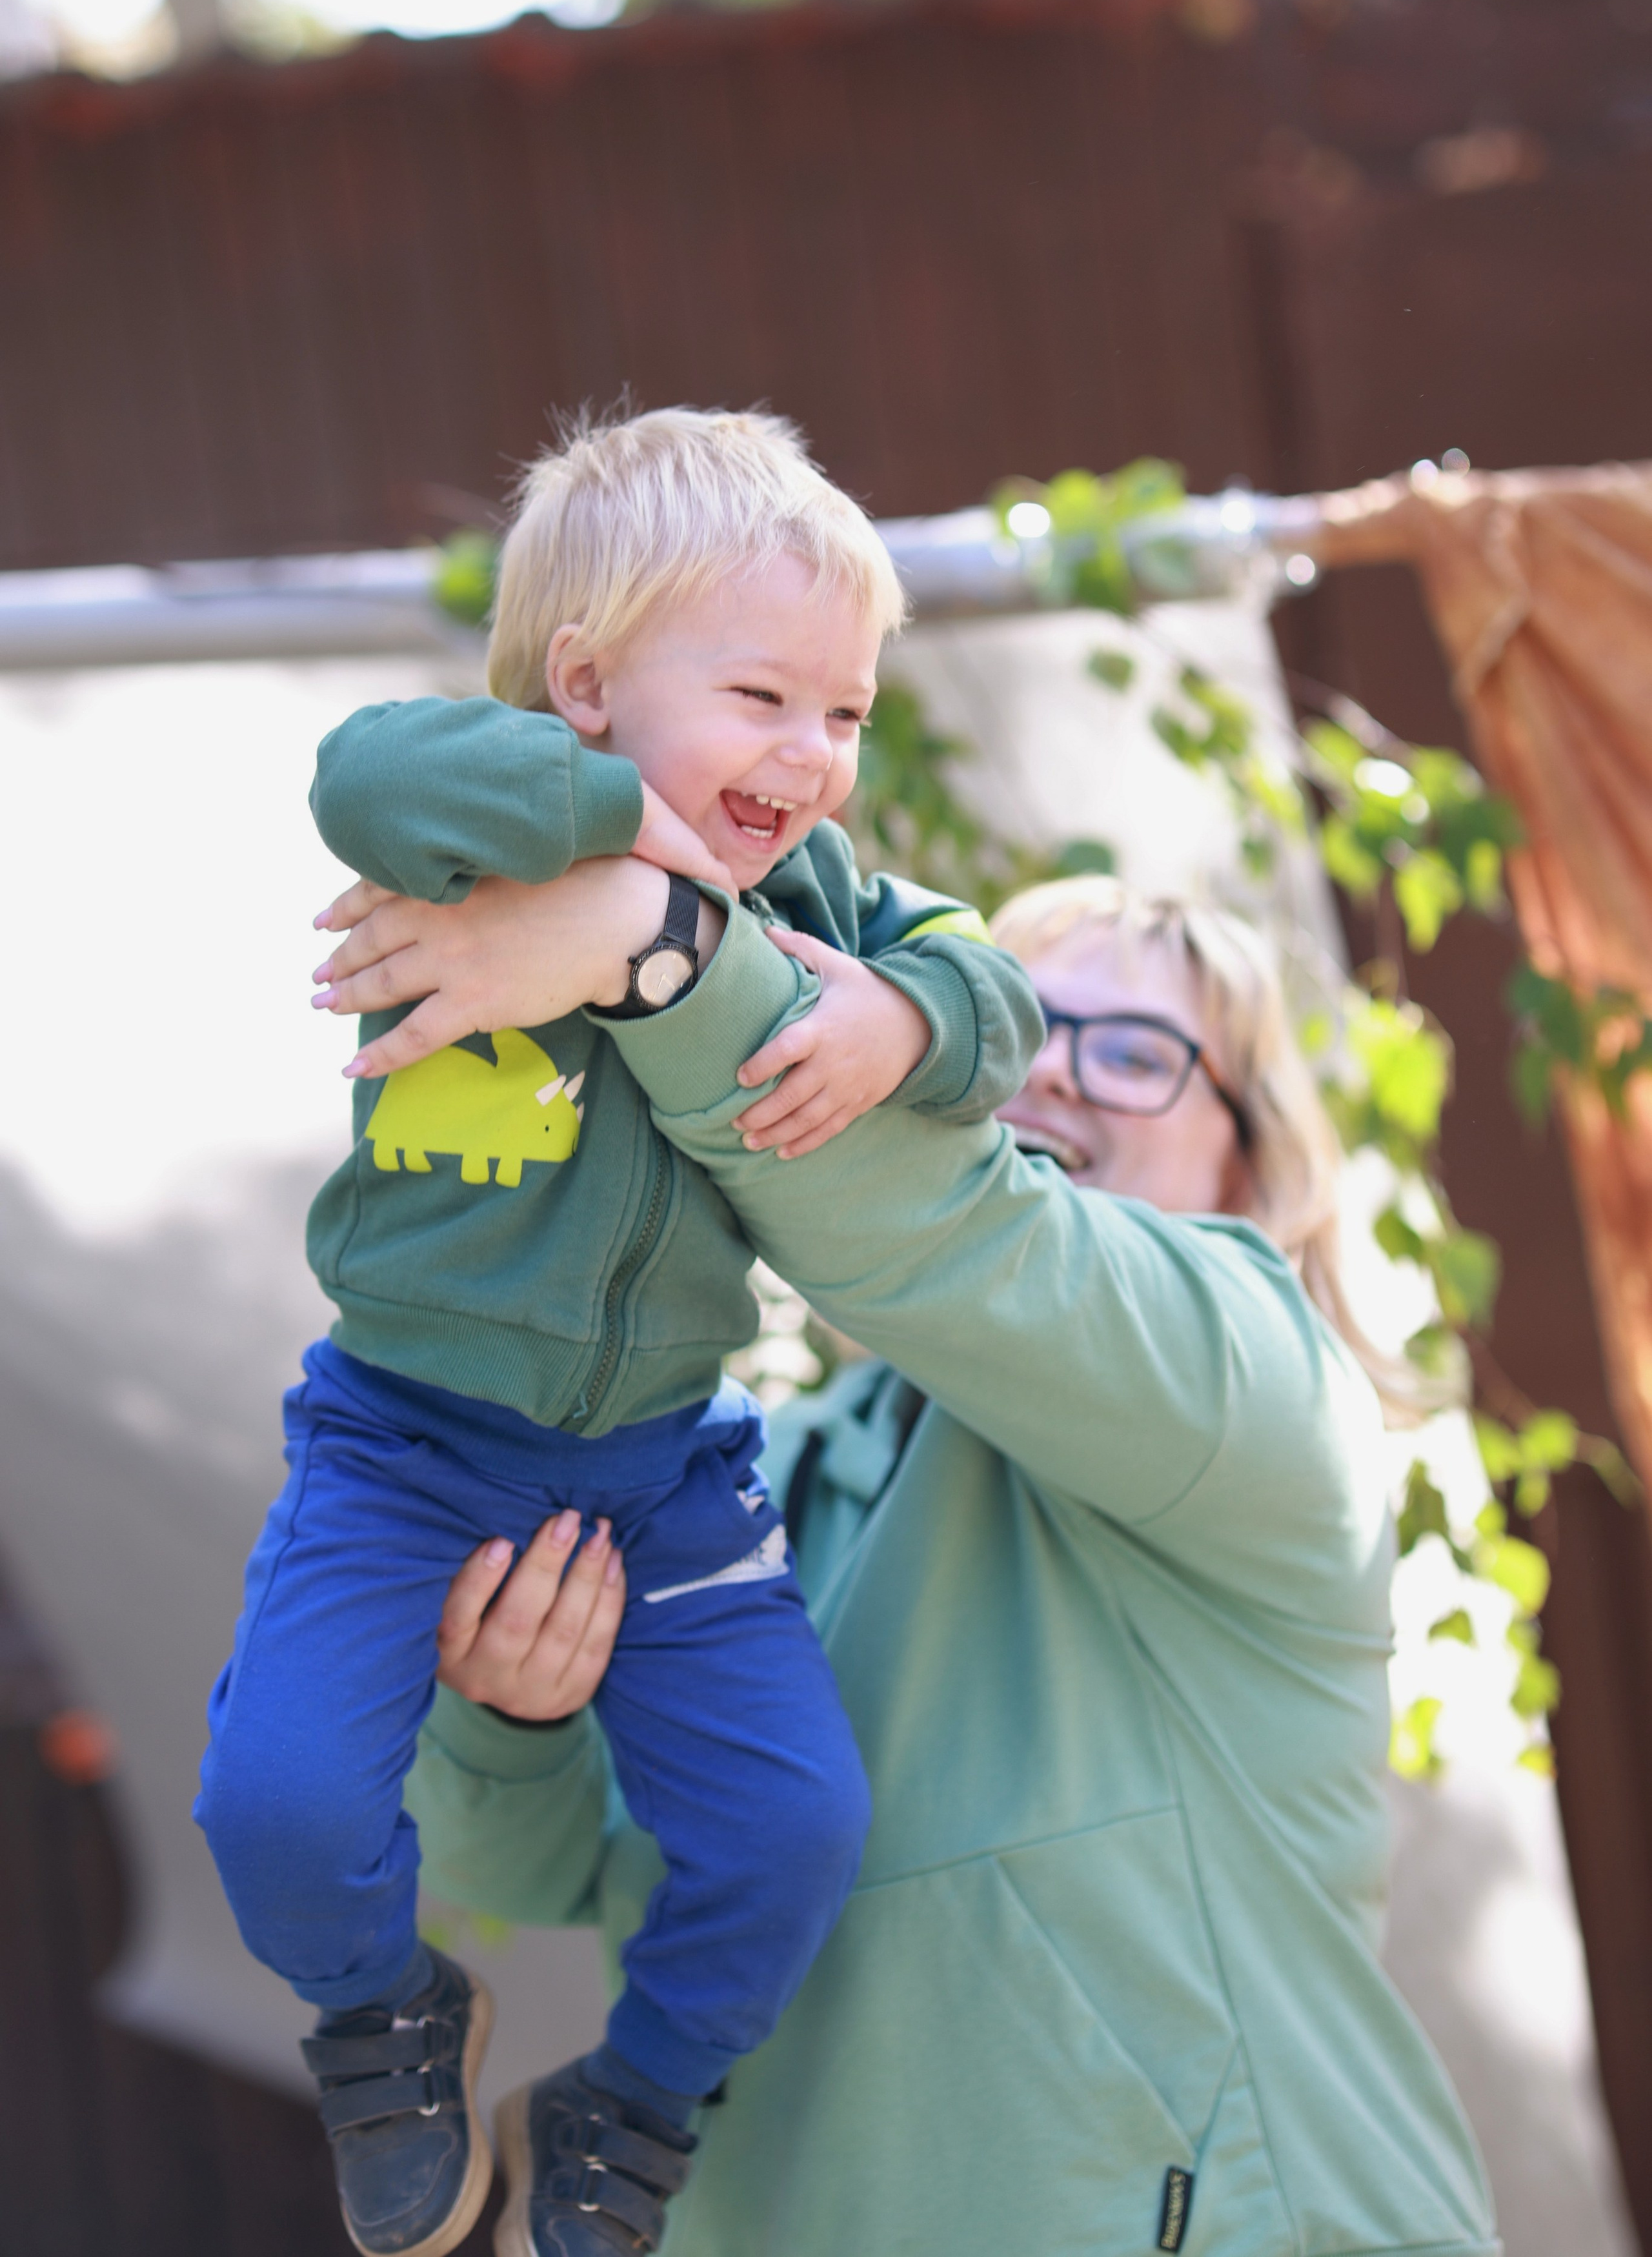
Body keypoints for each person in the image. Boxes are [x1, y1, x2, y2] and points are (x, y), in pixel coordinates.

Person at [317, 867, 1501, 2257]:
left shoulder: (1259, 1382)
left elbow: (958, 1232)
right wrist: (515, 1710)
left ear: (1245, 1165)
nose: (1050, 1075)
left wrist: (661, 951)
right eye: (1020, 1028)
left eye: (1135, 1055)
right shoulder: (752, 1480)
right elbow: (550, 1870)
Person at [194, 409, 1043, 2257]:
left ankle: (636, 2096)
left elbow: (996, 992)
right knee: (278, 1802)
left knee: (794, 1831)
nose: (812, 756)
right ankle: (384, 2015)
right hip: (402, 1443)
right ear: (584, 686)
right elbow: (362, 767)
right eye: (761, 696)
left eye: (845, 711)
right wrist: (622, 845)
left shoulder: (810, 897)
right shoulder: (470, 824)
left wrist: (899, 1021)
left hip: (662, 1465)